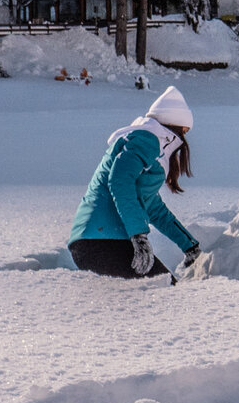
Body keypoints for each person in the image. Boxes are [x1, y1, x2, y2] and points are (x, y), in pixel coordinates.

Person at [69, 85, 201, 279]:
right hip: (101, 239)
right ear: (176, 127)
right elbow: (119, 182)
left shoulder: (149, 146)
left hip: (100, 240)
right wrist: (139, 235)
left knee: (159, 291)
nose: (184, 136)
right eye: (184, 131)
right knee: (165, 289)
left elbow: (153, 207)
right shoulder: (146, 139)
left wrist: (189, 245)